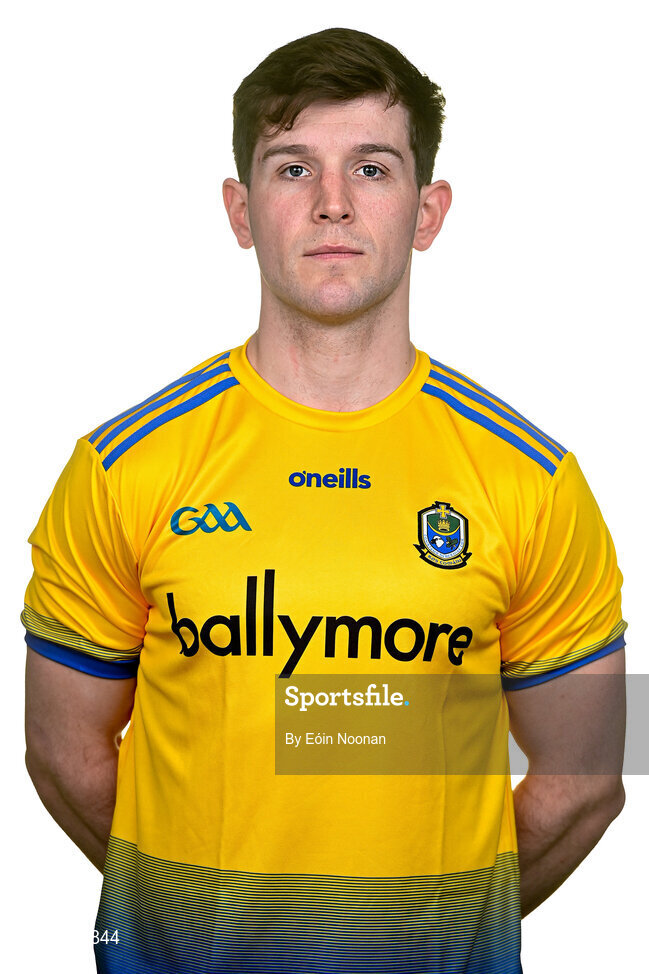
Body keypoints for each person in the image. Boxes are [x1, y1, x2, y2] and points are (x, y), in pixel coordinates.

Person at [23, 26, 627, 974]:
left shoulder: (531, 481)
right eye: (293, 166)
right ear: (240, 209)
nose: (333, 203)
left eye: (373, 169)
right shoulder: (123, 466)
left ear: (428, 212)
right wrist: (192, 924)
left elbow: (584, 782)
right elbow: (64, 758)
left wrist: (430, 934)